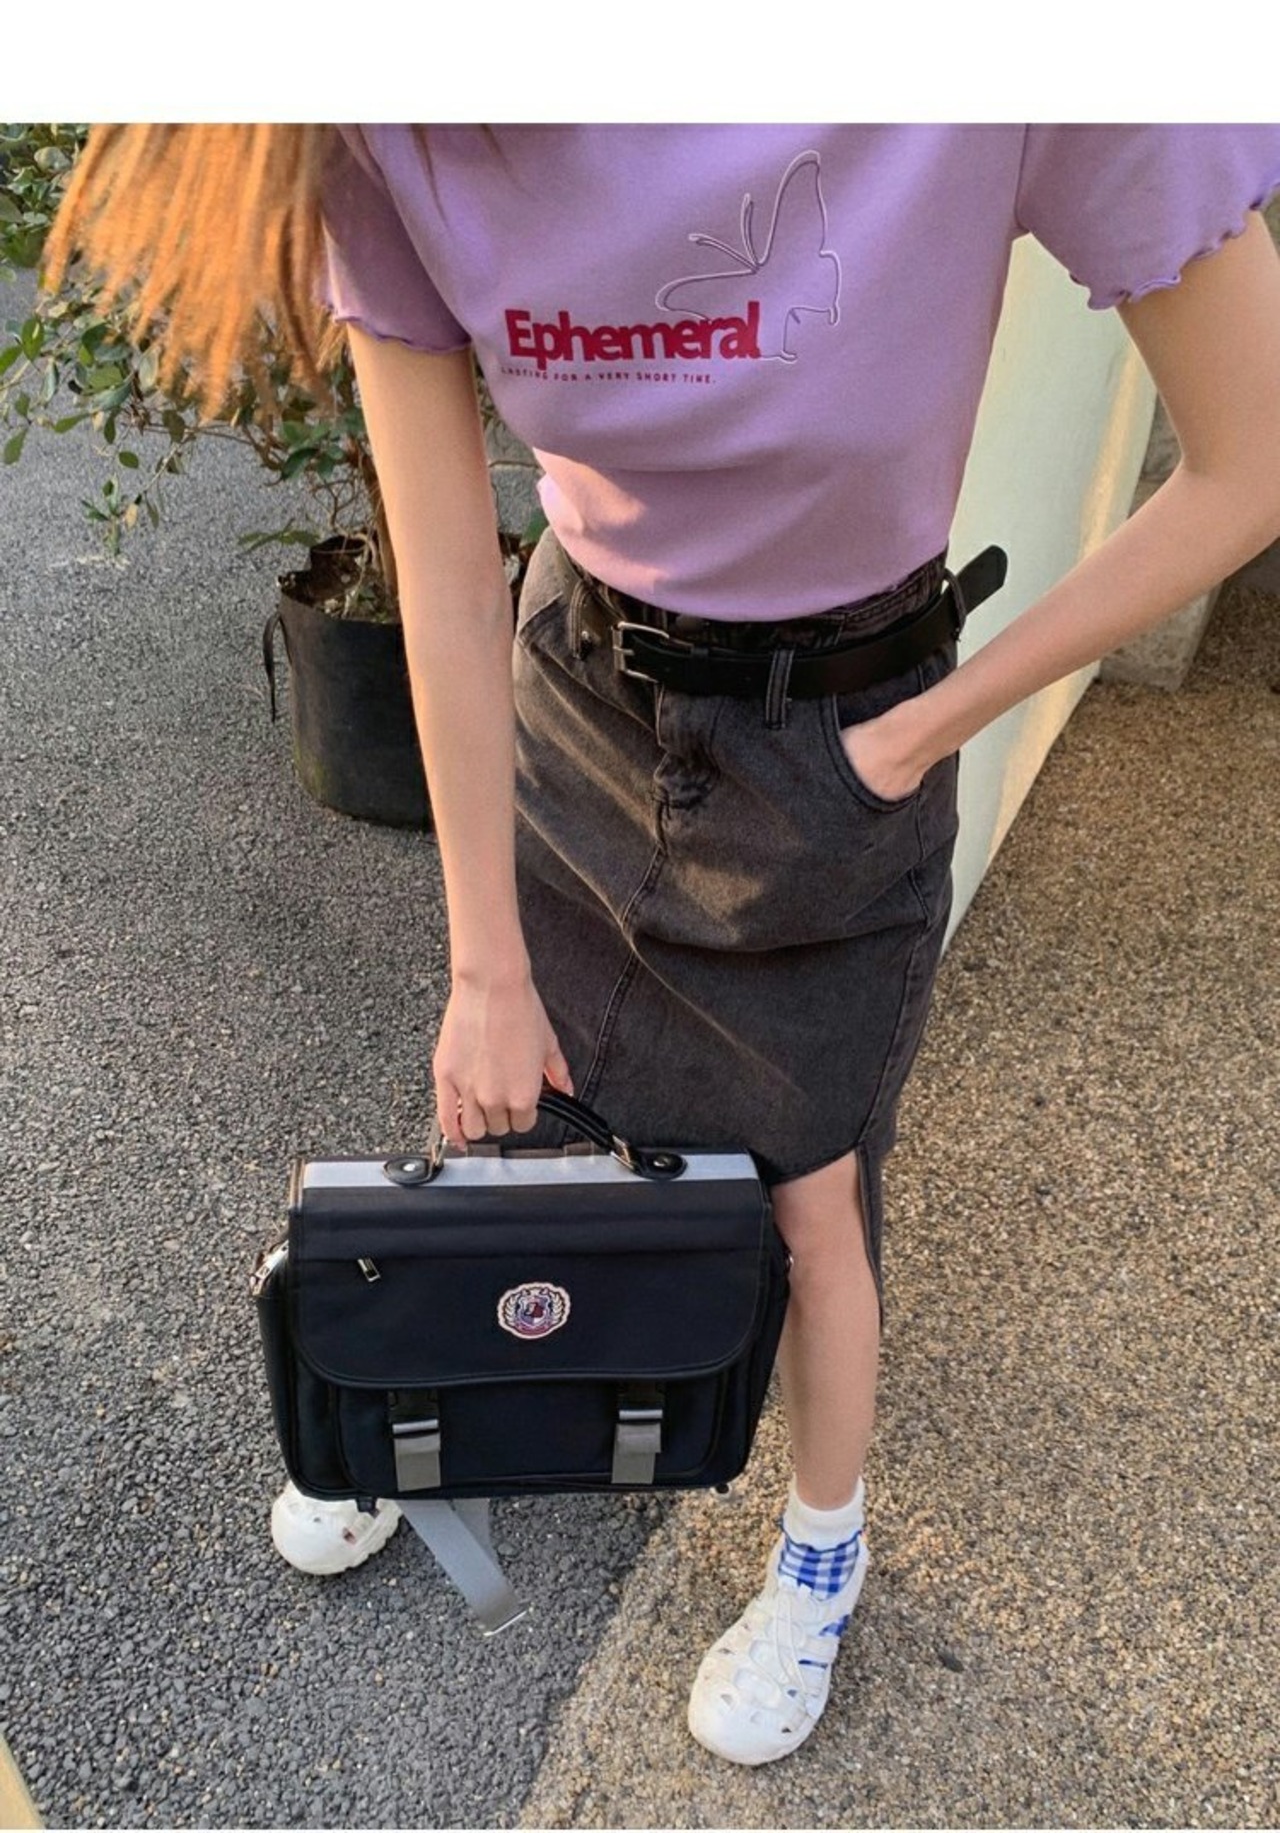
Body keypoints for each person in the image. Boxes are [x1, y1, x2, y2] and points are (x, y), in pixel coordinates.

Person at [49, 123, 1280, 1766]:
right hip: (574, 682)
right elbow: (442, 568)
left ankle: (821, 1551)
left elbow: (1252, 453)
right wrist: (480, 964)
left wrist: (916, 738)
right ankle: (446, 1409)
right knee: (508, 1091)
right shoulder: (385, 106)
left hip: (839, 733)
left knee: (812, 1193)